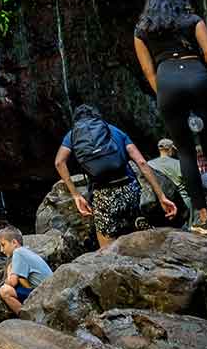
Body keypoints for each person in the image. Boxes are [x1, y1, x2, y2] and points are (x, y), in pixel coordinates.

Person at [133, 0, 207, 235]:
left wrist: (165, 90)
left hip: (167, 83)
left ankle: (203, 220)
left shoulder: (142, 31)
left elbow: (149, 72)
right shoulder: (192, 20)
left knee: (184, 153)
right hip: (198, 77)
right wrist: (197, 70)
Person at [53, 103, 180, 250]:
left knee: (106, 245)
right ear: (97, 117)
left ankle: (110, 260)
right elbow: (141, 163)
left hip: (102, 194)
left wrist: (76, 195)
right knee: (135, 233)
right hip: (129, 188)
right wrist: (161, 196)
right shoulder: (113, 130)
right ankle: (137, 225)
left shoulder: (73, 134)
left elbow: (59, 162)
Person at [0, 225, 53, 314]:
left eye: (3, 245)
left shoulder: (18, 252)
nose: (1, 250)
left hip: (43, 294)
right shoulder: (26, 251)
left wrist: (9, 271)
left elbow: (12, 282)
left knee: (5, 291)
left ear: (14, 242)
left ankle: (27, 317)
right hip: (49, 290)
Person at [146, 139, 196, 222]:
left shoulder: (149, 164)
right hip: (182, 204)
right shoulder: (179, 163)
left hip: (160, 203)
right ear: (170, 149)